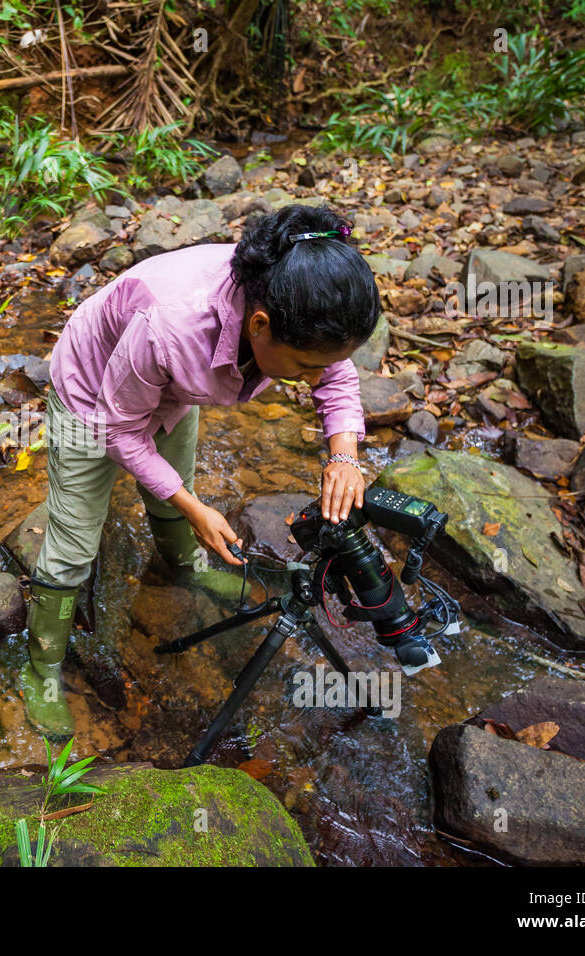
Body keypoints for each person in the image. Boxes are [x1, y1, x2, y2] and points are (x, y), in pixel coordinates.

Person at [21, 203, 379, 738]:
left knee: (174, 484)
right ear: (260, 326)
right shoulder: (171, 326)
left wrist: (344, 455)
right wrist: (194, 508)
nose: (313, 377)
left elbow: (335, 374)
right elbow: (117, 431)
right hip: (89, 397)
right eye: (305, 367)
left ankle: (182, 562)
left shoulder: (295, 299)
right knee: (74, 542)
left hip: (169, 390)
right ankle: (41, 670)